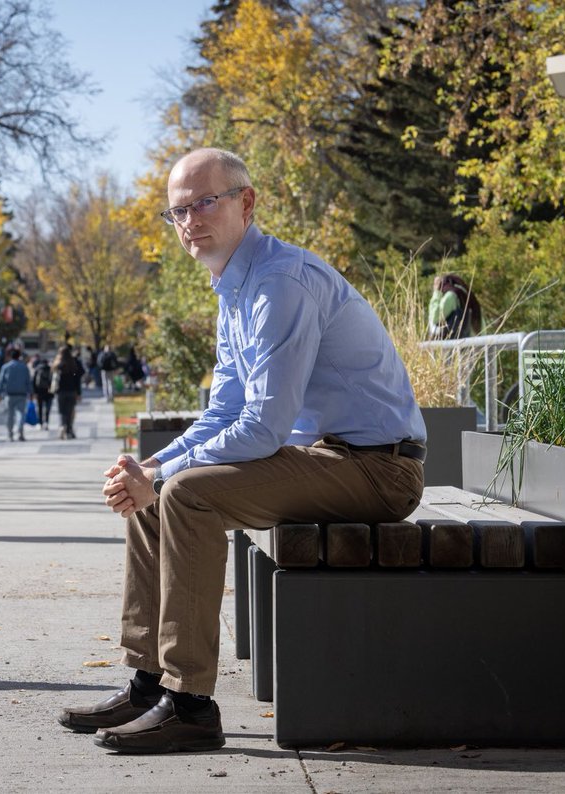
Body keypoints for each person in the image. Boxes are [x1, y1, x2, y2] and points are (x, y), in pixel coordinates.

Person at [58, 148, 426, 754]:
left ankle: (191, 705)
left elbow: (263, 428)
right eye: (177, 210)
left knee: (188, 495)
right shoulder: (236, 286)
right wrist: (148, 467)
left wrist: (167, 474)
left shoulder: (279, 284)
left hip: (379, 469)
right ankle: (148, 685)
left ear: (246, 203)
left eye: (205, 202)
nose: (190, 220)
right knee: (158, 493)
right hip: (333, 457)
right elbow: (224, 413)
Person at [428, 273, 482, 339]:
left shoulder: (451, 296)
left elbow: (435, 316)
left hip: (454, 344)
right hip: (472, 342)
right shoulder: (466, 295)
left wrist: (436, 292)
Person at [0, 348, 31, 441]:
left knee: (10, 415)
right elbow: (28, 381)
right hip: (22, 394)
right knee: (21, 414)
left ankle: (10, 434)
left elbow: (1, 381)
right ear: (19, 356)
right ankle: (20, 433)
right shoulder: (24, 367)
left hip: (9, 394)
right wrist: (31, 392)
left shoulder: (5, 367)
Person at [52, 344, 83, 440]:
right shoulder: (73, 365)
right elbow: (77, 379)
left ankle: (62, 427)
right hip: (71, 391)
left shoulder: (57, 365)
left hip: (60, 392)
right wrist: (78, 392)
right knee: (70, 412)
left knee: (62, 411)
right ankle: (69, 430)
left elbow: (53, 379)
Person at [31, 355, 54, 430]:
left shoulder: (37, 369)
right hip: (49, 392)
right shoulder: (51, 369)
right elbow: (53, 381)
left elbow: (34, 381)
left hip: (39, 391)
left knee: (40, 408)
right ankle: (46, 422)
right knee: (47, 408)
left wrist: (34, 392)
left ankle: (40, 423)